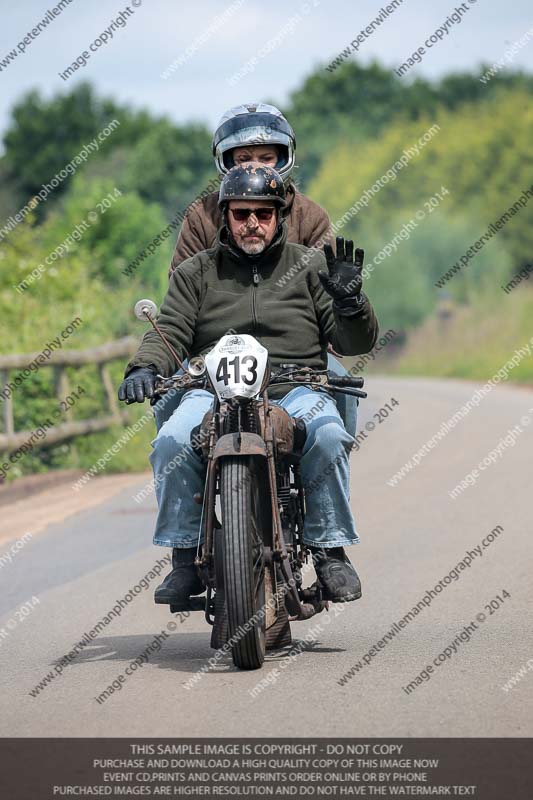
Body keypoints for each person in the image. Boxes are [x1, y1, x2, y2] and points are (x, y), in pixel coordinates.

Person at [118, 164, 379, 607]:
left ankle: (330, 550)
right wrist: (143, 368)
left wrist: (351, 303)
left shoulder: (311, 266)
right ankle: (184, 557)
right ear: (226, 216)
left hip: (293, 388)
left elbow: (353, 343)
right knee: (171, 441)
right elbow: (171, 330)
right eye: (241, 214)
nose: (252, 223)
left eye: (263, 213)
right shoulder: (196, 273)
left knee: (330, 435)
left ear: (279, 216)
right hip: (211, 391)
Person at [157, 102, 357, 437]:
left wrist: (342, 313)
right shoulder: (201, 215)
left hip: (294, 357)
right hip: (216, 355)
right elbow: (180, 288)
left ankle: (333, 459)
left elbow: (329, 293)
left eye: (266, 158)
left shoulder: (311, 216)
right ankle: (180, 461)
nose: (255, 166)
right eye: (243, 158)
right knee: (166, 396)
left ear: (284, 159)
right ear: (226, 163)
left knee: (340, 386)